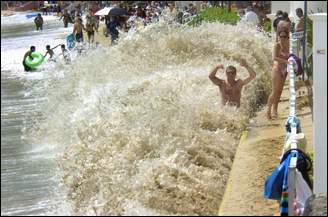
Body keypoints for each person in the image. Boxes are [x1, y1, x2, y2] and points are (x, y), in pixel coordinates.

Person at [266, 30, 290, 119]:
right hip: (277, 69)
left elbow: (290, 56)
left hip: (285, 70)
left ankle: (275, 110)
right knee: (274, 91)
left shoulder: (288, 45)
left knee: (279, 91)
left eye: (284, 37)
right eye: (281, 37)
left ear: (287, 38)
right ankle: (268, 111)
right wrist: (286, 61)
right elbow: (274, 58)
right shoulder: (277, 45)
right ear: (278, 37)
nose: (282, 38)